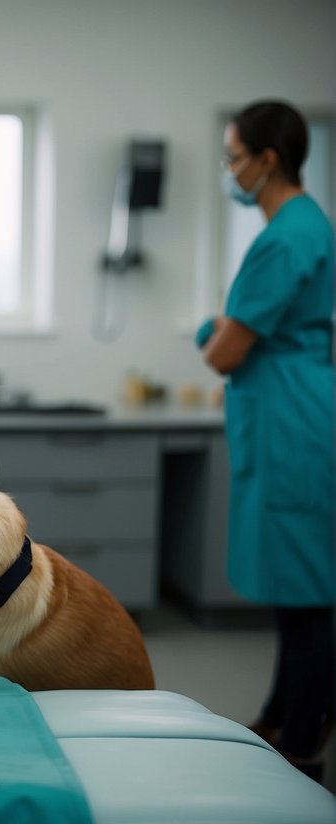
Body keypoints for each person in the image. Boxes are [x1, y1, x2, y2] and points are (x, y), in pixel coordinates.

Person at [196, 99, 335, 780]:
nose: (229, 169)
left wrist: (208, 332)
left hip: (289, 420)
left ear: (266, 160)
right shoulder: (307, 225)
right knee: (298, 584)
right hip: (294, 409)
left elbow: (224, 351)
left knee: (306, 588)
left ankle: (301, 734)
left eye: (233, 157)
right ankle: (283, 712)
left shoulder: (284, 236)